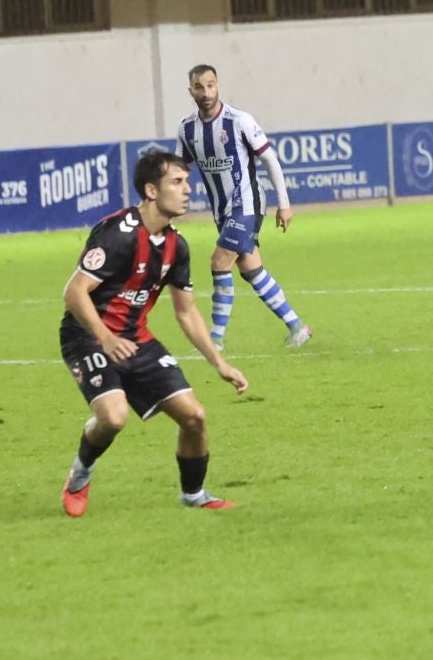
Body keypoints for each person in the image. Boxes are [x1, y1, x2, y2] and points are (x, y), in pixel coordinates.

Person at [58, 150, 250, 516]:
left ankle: (193, 495)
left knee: (194, 416)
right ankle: (80, 474)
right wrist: (106, 337)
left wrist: (220, 364)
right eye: (176, 183)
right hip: (87, 335)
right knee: (114, 418)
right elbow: (74, 292)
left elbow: (186, 312)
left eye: (187, 182)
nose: (186, 190)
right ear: (151, 190)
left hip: (135, 337)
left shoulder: (177, 246)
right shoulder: (117, 235)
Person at [176, 65, 312, 351]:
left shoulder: (239, 121)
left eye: (211, 85)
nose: (206, 92)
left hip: (248, 204)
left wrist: (284, 205)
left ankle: (215, 340)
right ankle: (297, 326)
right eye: (199, 87)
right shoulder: (187, 129)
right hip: (222, 211)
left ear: (218, 85)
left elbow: (270, 160)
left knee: (218, 261)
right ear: (191, 92)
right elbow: (179, 170)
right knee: (252, 270)